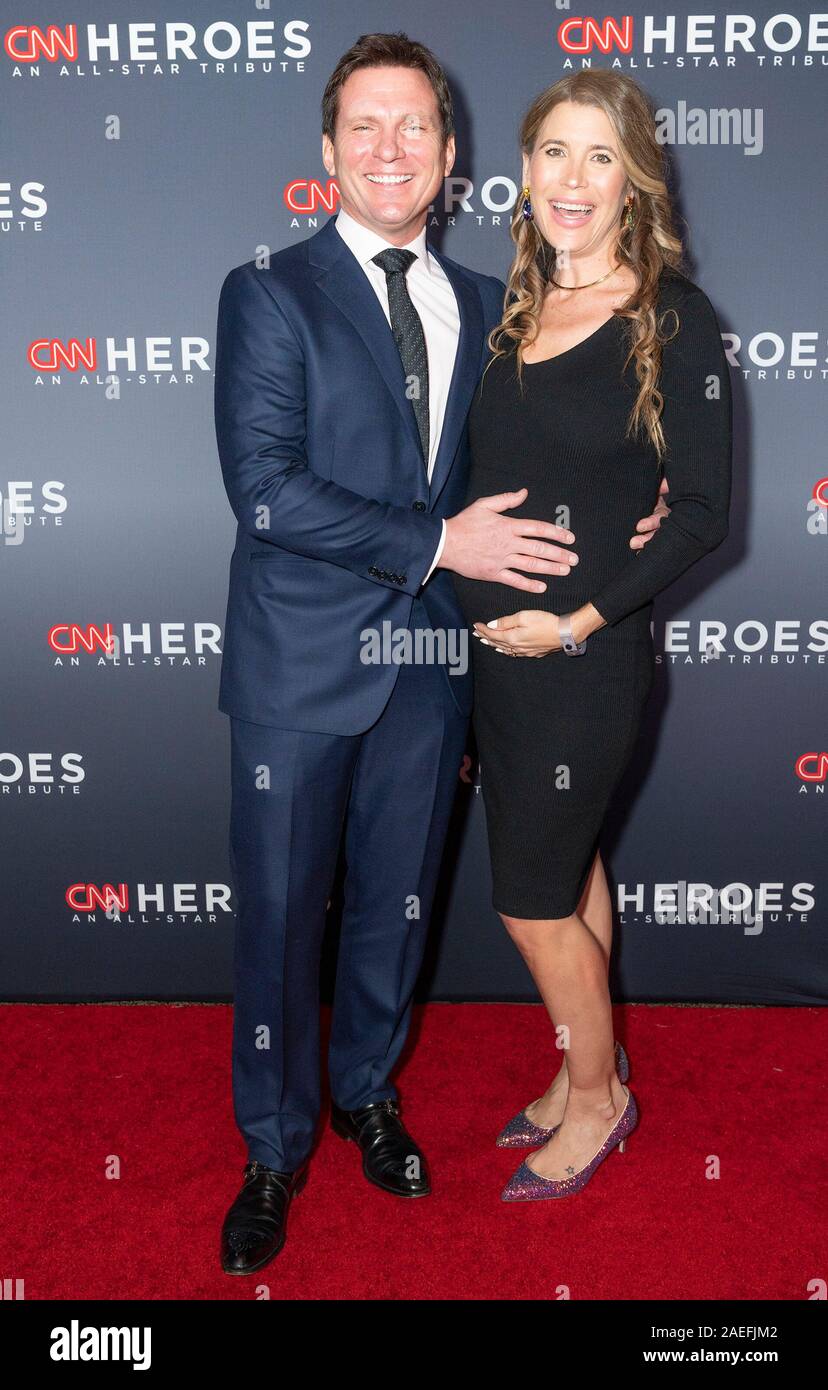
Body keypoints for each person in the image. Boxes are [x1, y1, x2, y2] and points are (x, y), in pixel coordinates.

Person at [214, 38, 668, 1273]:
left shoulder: (488, 304)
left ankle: (368, 1093)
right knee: (276, 923)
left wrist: (642, 508)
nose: (390, 148)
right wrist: (437, 541)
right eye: (365, 126)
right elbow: (264, 491)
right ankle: (272, 1147)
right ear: (327, 151)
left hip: (433, 671)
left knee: (392, 917)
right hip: (298, 671)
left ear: (452, 157)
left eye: (414, 126)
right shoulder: (265, 292)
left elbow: (559, 449)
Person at [452, 69, 733, 1202]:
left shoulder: (672, 315)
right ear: (523, 171)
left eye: (601, 156)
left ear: (635, 180)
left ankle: (603, 1094)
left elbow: (703, 513)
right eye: (555, 152)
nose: (574, 178)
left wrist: (573, 618)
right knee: (572, 874)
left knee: (525, 899)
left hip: (584, 665)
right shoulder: (508, 309)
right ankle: (579, 1074)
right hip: (498, 666)